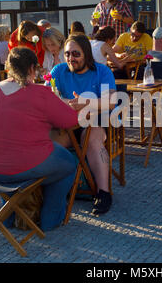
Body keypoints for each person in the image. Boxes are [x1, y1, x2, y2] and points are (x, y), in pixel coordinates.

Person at [0, 47, 80, 231]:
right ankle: (50, 220)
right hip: (17, 165)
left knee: (14, 163)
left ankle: (8, 216)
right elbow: (70, 120)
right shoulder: (39, 92)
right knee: (68, 163)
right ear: (31, 69)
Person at [49, 34, 117, 215]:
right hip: (66, 125)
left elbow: (111, 101)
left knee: (92, 139)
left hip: (95, 122)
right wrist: (64, 102)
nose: (71, 58)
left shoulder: (102, 71)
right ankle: (52, 189)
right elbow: (48, 99)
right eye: (67, 54)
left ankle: (104, 192)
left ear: (86, 54)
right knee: (48, 143)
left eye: (75, 54)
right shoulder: (58, 71)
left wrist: (86, 103)